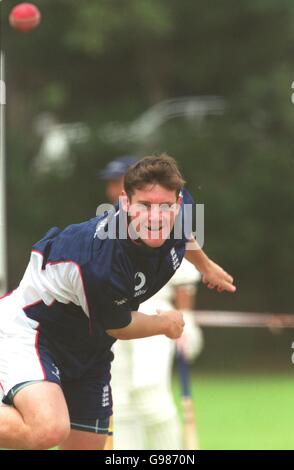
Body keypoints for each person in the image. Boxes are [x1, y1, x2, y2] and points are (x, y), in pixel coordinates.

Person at [0, 154, 236, 450]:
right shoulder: (102, 262)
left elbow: (182, 233)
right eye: (145, 207)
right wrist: (167, 324)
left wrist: (206, 266)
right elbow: (120, 326)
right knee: (47, 430)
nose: (155, 216)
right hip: (34, 330)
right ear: (125, 203)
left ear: (178, 204)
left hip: (90, 347)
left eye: (165, 207)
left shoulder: (180, 208)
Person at [99, 156, 204, 449]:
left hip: (156, 312)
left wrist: (188, 318)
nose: (111, 187)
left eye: (117, 180)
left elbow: (183, 277)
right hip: (116, 316)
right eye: (111, 182)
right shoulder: (107, 224)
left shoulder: (166, 223)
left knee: (150, 396)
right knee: (120, 399)